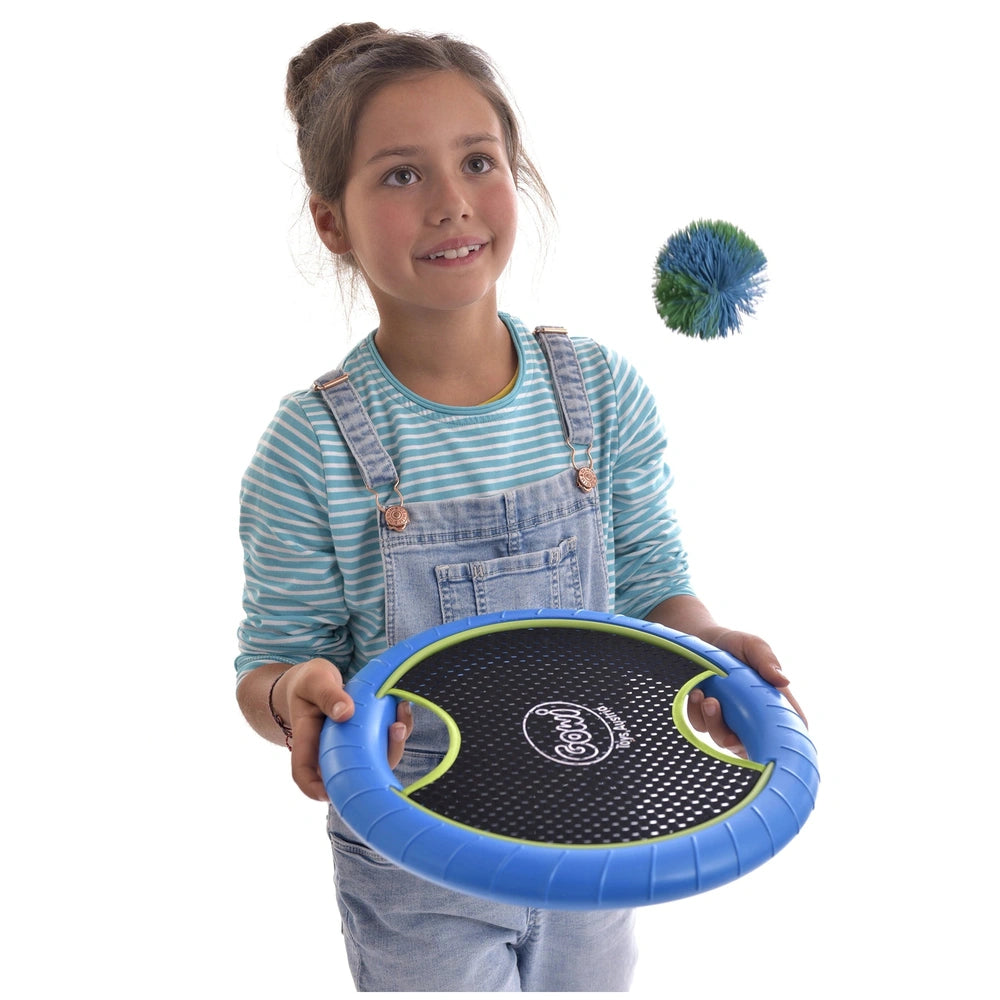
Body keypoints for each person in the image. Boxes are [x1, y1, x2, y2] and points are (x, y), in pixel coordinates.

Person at [235, 22, 804, 992]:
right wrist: (295, 697)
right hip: (419, 856)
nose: (452, 202)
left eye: (477, 160)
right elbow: (271, 663)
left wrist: (709, 650)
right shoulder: (313, 444)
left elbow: (653, 580)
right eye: (400, 176)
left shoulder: (599, 392)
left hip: (602, 827)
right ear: (332, 222)